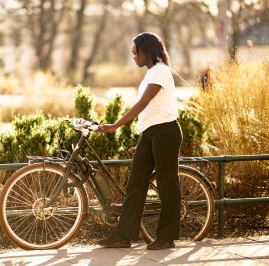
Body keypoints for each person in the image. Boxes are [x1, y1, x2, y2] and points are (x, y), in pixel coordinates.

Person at [96, 32, 183, 250]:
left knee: (167, 186)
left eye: (136, 52)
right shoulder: (152, 73)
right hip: (151, 133)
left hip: (165, 132)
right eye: (132, 53)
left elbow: (142, 104)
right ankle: (123, 236)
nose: (133, 56)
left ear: (147, 51)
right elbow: (147, 109)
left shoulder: (160, 71)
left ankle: (167, 237)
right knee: (135, 184)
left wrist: (116, 125)